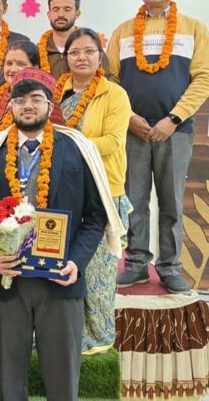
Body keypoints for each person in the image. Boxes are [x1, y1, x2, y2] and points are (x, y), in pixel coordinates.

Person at [0, 67, 123, 401]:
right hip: (5, 282)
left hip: (60, 281)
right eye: (20, 100)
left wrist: (76, 261)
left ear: (50, 105)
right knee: (9, 382)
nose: (28, 106)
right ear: (11, 106)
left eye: (36, 99)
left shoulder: (78, 149)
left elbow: (95, 216)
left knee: (63, 383)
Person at [108, 0, 209, 294]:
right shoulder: (123, 31)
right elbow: (110, 80)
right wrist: (129, 117)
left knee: (171, 203)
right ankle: (136, 265)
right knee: (133, 202)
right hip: (132, 130)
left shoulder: (194, 28)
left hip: (175, 131)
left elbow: (203, 78)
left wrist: (174, 119)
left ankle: (170, 268)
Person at [53, 28, 132, 354]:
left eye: (89, 51)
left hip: (103, 188)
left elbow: (112, 142)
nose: (81, 57)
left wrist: (68, 146)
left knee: (97, 267)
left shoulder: (114, 94)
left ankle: (98, 338)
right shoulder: (55, 93)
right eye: (74, 52)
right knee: (64, 261)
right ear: (66, 58)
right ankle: (63, 333)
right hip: (63, 190)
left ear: (100, 56)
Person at [0, 40, 65, 140]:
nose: (13, 69)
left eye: (21, 64)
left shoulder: (45, 102)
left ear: (35, 68)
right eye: (9, 63)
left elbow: (54, 139)